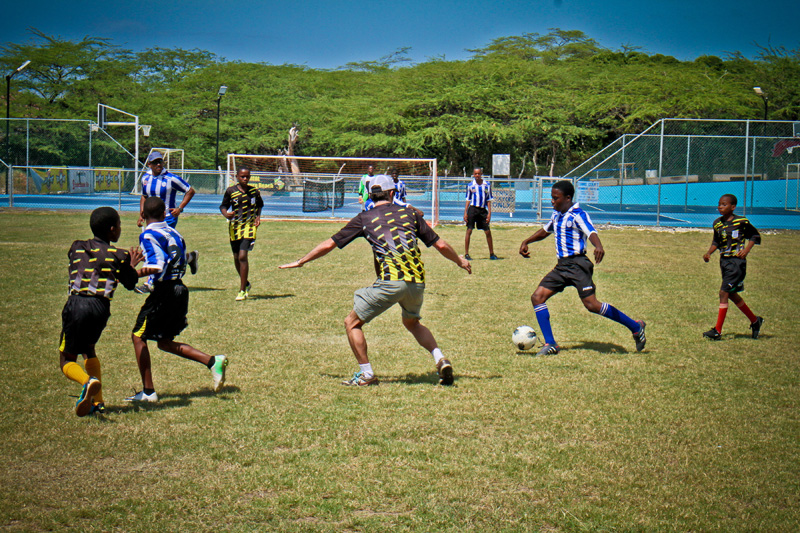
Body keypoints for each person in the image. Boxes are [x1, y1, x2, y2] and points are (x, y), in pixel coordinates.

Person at [280, 175, 471, 386]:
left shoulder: (364, 218)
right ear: (392, 193)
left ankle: (367, 374)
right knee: (412, 322)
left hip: (391, 281)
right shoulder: (410, 214)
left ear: (370, 195)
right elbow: (441, 245)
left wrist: (302, 261)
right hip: (417, 282)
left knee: (351, 323)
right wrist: (460, 261)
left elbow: (329, 244)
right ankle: (439, 358)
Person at [519, 180, 646, 356]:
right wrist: (526, 241)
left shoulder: (577, 214)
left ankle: (635, 326)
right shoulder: (556, 215)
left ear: (568, 198)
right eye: (552, 198)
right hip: (562, 267)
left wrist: (598, 246)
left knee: (592, 305)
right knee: (537, 297)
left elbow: (591, 231)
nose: (552, 201)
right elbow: (545, 231)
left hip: (578, 265)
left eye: (555, 198)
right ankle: (551, 343)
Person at [126, 197, 228, 402]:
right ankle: (212, 361)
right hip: (180, 290)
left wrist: (132, 273)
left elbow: (157, 265)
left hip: (165, 292)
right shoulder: (175, 233)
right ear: (165, 213)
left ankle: (148, 393)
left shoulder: (147, 234)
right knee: (163, 342)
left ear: (143, 215)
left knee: (138, 336)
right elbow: (178, 257)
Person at [59, 207, 142, 416]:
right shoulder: (119, 255)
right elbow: (131, 283)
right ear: (112, 230)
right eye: (119, 226)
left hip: (77, 304)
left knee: (66, 359)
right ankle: (98, 402)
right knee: (89, 349)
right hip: (100, 308)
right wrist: (131, 265)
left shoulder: (77, 247)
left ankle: (87, 382)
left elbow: (78, 260)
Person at [702, 194, 763, 340]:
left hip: (737, 263)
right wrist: (709, 252)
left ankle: (717, 330)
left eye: (724, 204)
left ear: (733, 207)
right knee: (732, 294)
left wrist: (746, 250)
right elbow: (716, 241)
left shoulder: (741, 221)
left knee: (723, 293)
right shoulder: (717, 223)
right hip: (725, 262)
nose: (720, 207)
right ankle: (755, 321)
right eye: (719, 204)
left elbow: (755, 236)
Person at [136, 152, 198, 293]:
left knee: (158, 247)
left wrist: (180, 208)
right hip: (151, 218)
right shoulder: (145, 178)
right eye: (155, 162)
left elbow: (190, 191)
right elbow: (144, 197)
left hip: (167, 217)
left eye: (161, 161)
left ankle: (150, 283)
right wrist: (142, 214)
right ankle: (189, 257)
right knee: (161, 248)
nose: (159, 164)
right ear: (149, 164)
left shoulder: (171, 179)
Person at [220, 167, 264, 301]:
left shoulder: (254, 192)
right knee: (236, 257)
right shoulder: (231, 191)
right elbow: (223, 206)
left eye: (247, 176)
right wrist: (226, 214)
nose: (245, 179)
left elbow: (260, 205)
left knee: (243, 256)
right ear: (237, 177)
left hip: (249, 227)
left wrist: (258, 217)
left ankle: (242, 290)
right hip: (235, 227)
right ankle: (246, 283)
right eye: (242, 176)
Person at [463, 167, 497, 260]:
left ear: (481, 174)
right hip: (473, 209)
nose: (477, 175)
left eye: (478, 173)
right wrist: (465, 212)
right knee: (469, 230)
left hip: (482, 210)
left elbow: (489, 200)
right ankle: (466, 254)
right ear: (473, 174)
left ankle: (492, 254)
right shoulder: (470, 185)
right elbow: (468, 199)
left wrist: (489, 213)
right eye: (475, 174)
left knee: (487, 231)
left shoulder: (487, 185)